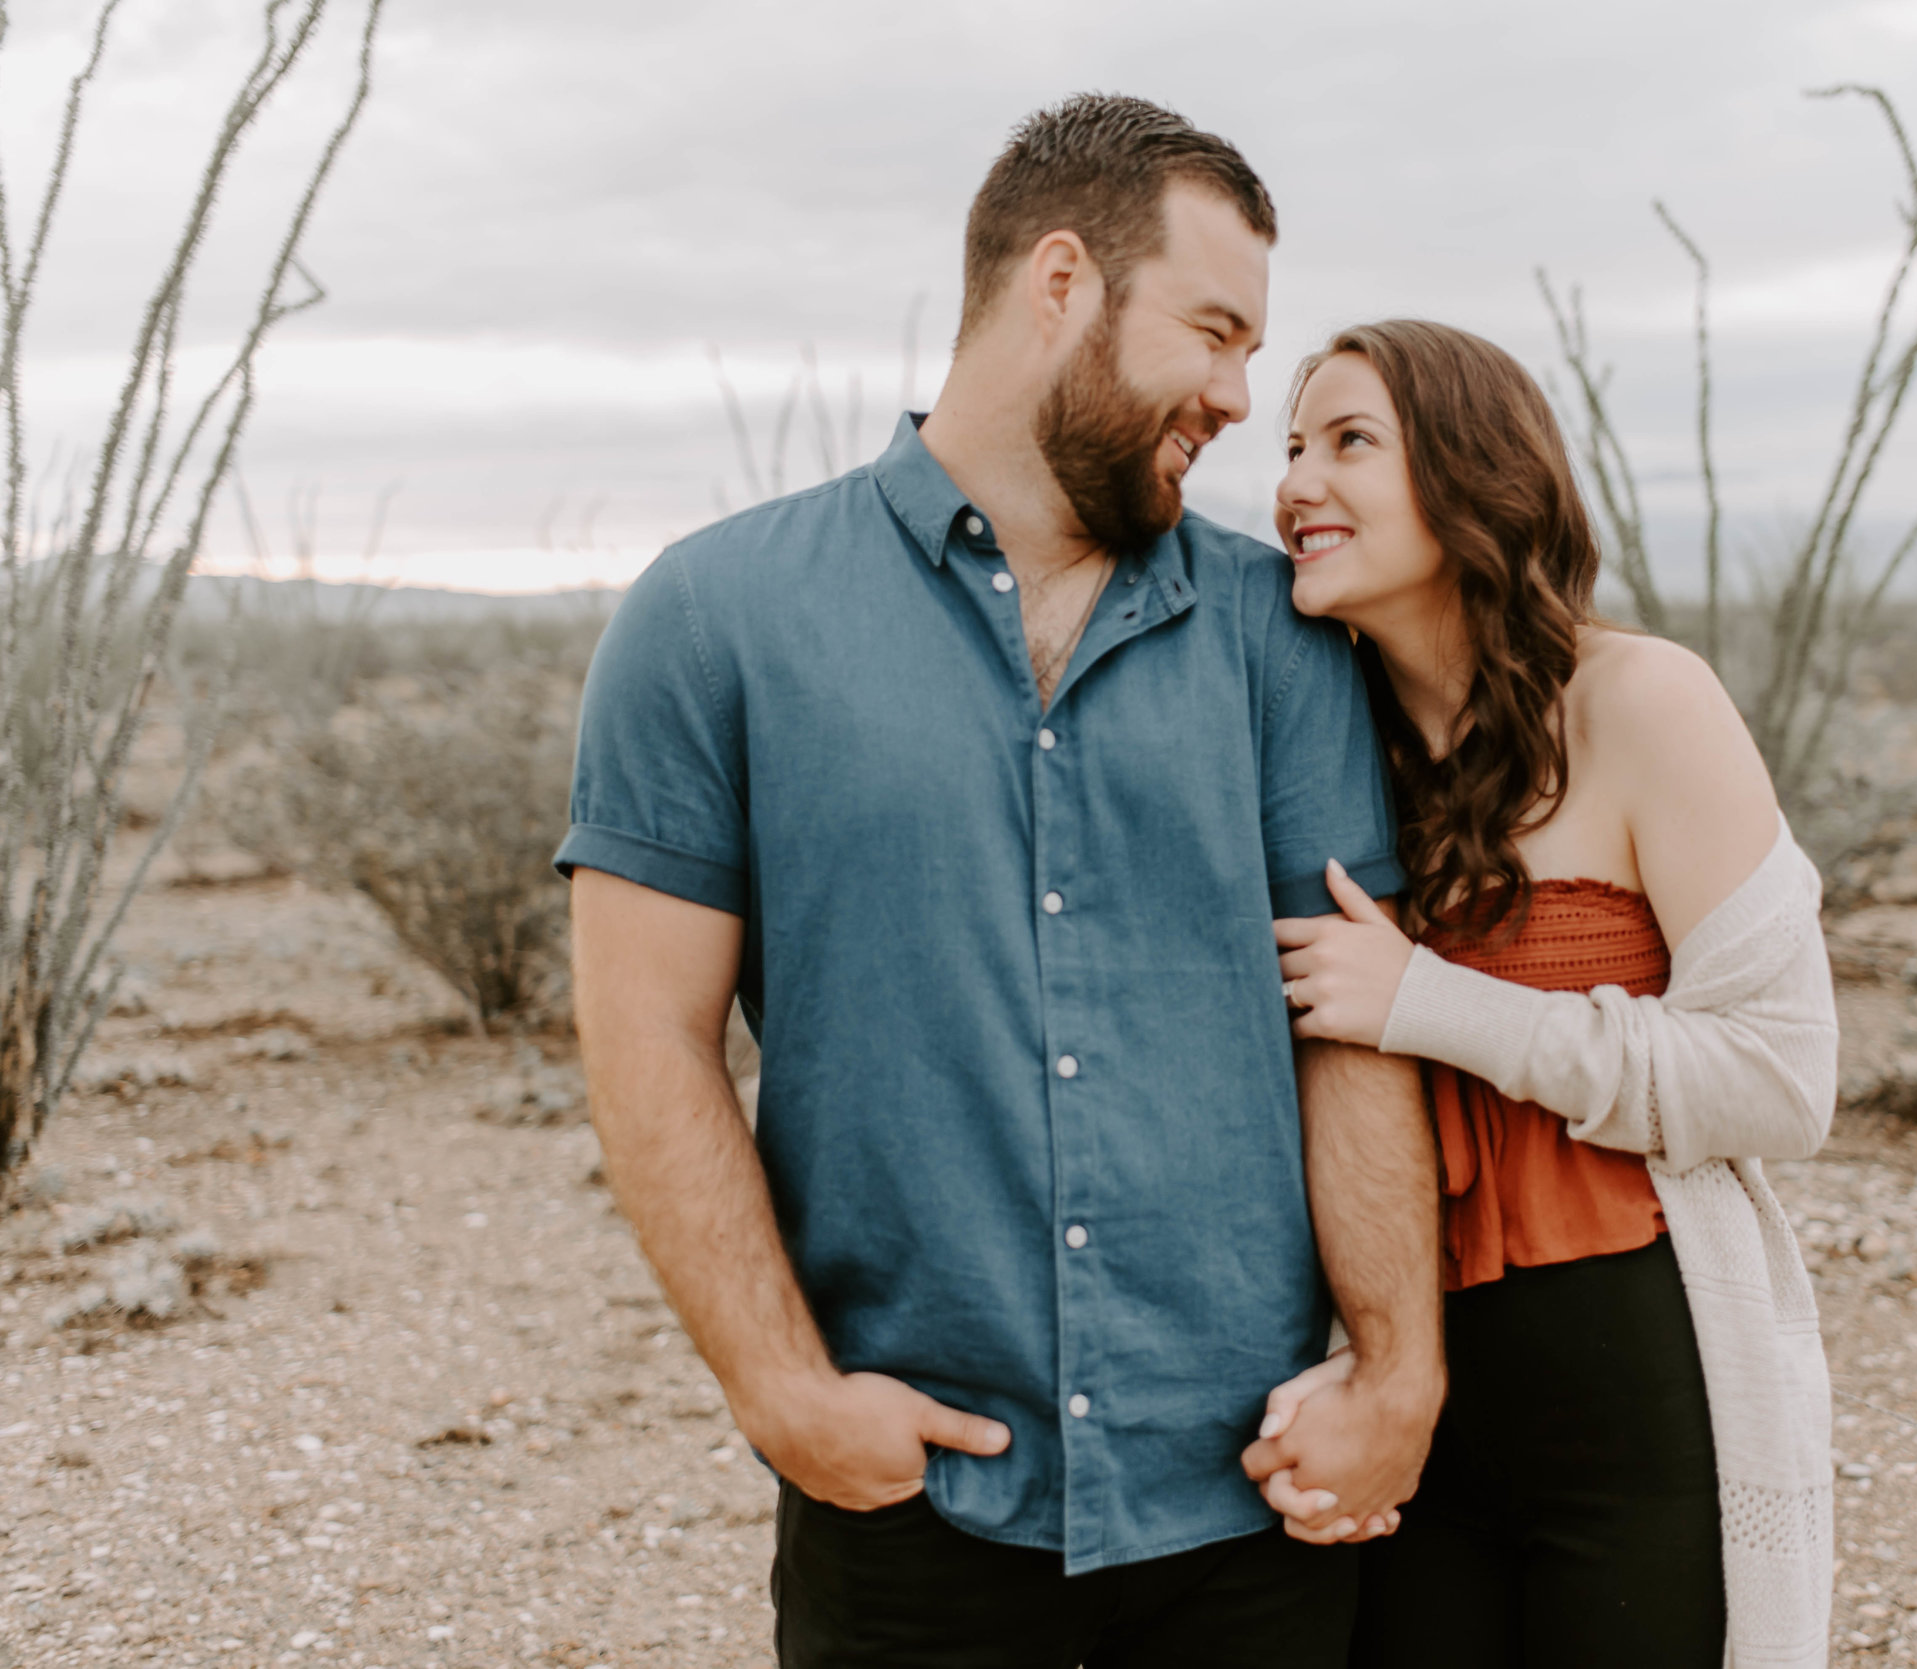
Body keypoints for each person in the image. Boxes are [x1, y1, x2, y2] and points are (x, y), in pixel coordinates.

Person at [558, 98, 1443, 1669]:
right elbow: (645, 1035)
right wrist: (786, 1398)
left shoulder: (1278, 632)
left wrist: (1399, 1370)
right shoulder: (715, 618)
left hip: (1249, 1498)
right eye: (1215, 331)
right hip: (913, 1512)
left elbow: (1347, 1015)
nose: (1245, 397)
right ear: (1061, 282)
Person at [1247, 320, 1839, 1668]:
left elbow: (1787, 1078)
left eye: (1349, 441)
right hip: (1418, 1400)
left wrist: (1433, 1001)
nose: (1294, 485)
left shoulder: (1641, 702)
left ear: (1472, 474)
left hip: (1639, 1386)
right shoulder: (1325, 750)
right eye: (1288, 449)